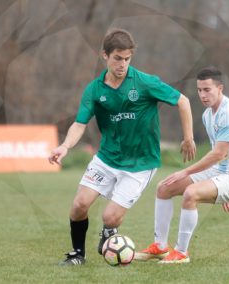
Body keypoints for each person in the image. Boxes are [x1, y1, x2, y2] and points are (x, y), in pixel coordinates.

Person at [48, 28, 196, 266]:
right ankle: (77, 255)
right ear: (104, 56)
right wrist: (65, 146)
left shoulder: (144, 82)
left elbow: (183, 101)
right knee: (79, 206)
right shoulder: (95, 90)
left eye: (127, 59)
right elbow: (79, 124)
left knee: (110, 217)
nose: (123, 64)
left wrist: (188, 137)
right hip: (107, 158)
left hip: (140, 164)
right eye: (118, 58)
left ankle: (108, 234)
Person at [135, 66, 229, 264]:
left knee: (191, 192)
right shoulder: (208, 115)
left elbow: (219, 154)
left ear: (220, 88)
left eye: (207, 90)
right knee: (164, 187)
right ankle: (160, 247)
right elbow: (220, 157)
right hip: (223, 173)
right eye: (199, 90)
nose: (202, 95)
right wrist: (219, 187)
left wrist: (187, 171)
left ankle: (181, 253)